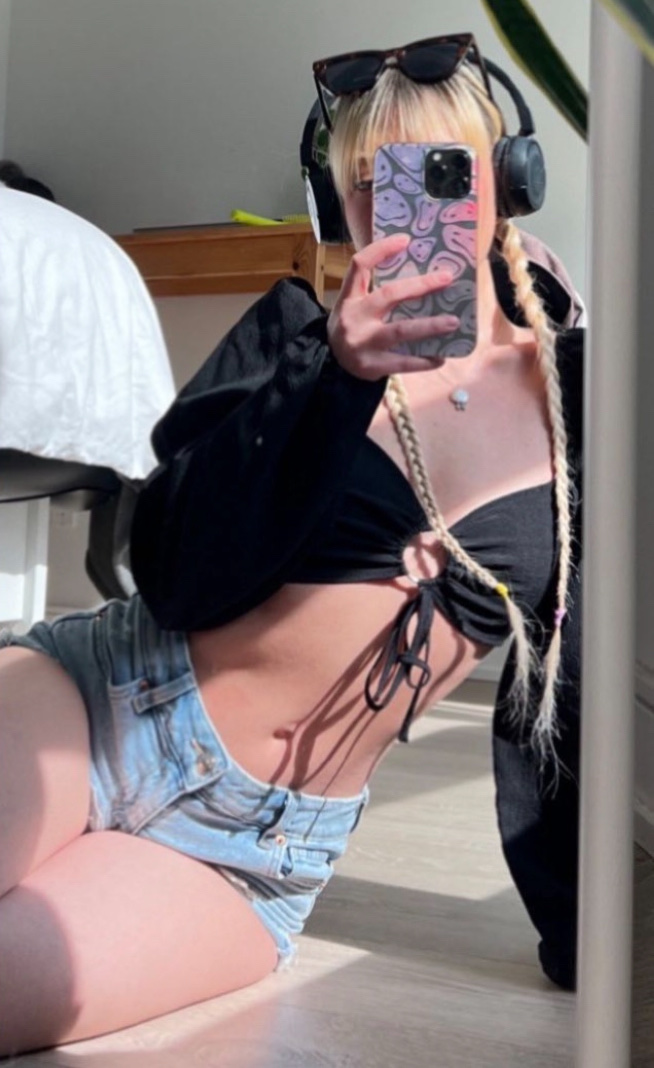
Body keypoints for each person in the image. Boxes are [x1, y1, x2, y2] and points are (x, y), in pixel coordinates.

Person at [0, 34, 584, 1056]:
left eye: (443, 173)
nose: (403, 207)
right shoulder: (294, 343)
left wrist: (586, 932)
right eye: (370, 182)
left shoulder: (578, 398)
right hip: (99, 697)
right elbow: (173, 576)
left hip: (249, 845)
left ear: (510, 181)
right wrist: (335, 383)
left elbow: (574, 686)